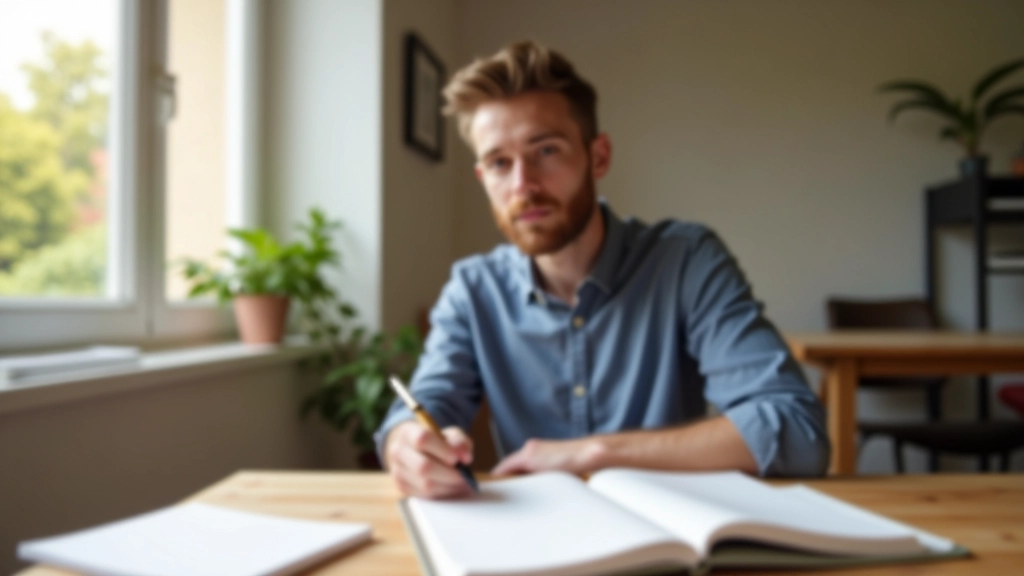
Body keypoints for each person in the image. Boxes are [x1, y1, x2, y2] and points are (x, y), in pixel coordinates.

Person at [375, 41, 829, 499]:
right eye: (499, 163)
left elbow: (795, 428)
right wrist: (407, 446)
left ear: (598, 156)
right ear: (483, 178)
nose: (522, 186)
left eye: (546, 151)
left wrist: (595, 454)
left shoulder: (687, 262)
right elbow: (420, 409)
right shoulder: (473, 289)